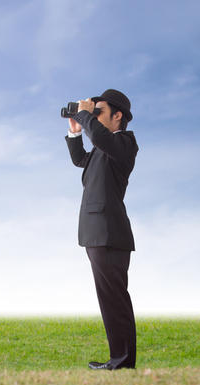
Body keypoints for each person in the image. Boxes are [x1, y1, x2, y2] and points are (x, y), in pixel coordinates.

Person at [65, 89, 138, 370]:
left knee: (115, 299)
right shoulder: (102, 148)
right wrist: (75, 131)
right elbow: (80, 160)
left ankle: (123, 361)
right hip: (96, 231)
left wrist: (86, 116)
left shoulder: (125, 143)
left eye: (99, 111)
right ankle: (118, 359)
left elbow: (100, 138)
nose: (93, 117)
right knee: (109, 300)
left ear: (118, 116)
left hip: (109, 232)